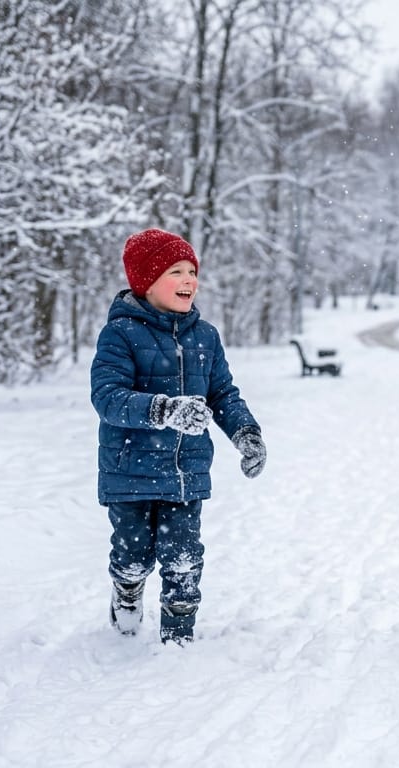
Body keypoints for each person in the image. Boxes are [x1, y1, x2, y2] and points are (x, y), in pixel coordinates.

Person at [90, 228, 267, 645]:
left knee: (183, 558)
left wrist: (245, 432)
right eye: (176, 272)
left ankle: (178, 639)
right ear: (147, 281)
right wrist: (164, 410)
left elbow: (222, 393)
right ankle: (126, 597)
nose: (189, 280)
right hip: (130, 472)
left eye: (192, 271)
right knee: (132, 556)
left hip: (186, 472)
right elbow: (107, 396)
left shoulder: (205, 336)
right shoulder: (121, 334)